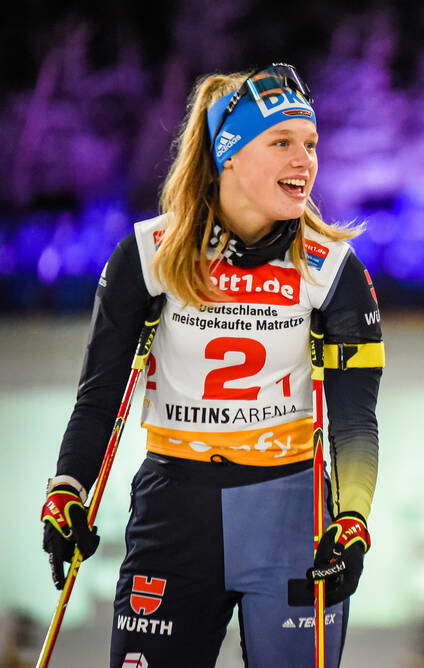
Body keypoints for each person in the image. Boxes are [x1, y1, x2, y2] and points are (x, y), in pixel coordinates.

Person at [39, 64, 384, 667]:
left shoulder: (331, 269)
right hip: (176, 508)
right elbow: (97, 398)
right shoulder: (149, 255)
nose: (304, 160)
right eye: (281, 143)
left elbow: (355, 418)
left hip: (288, 508)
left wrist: (352, 517)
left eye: (310, 145)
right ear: (229, 155)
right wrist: (67, 490)